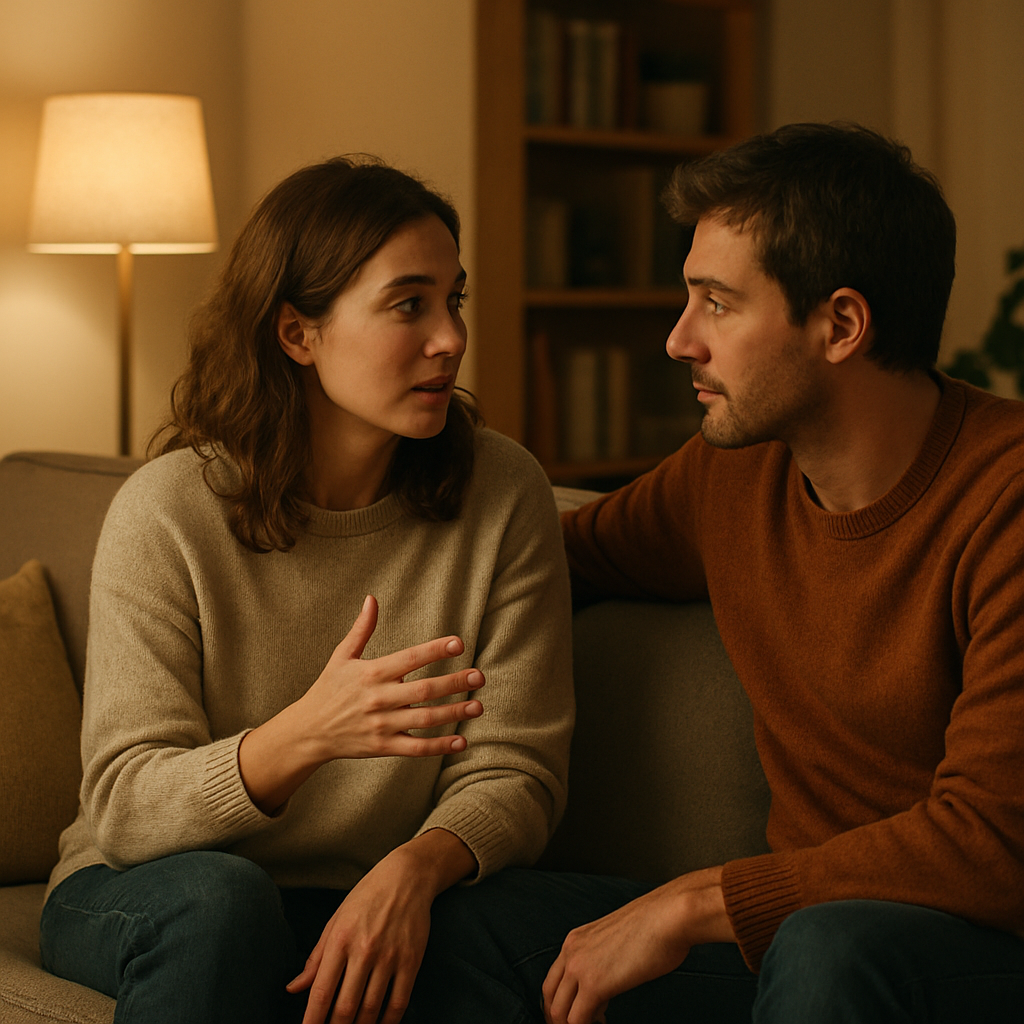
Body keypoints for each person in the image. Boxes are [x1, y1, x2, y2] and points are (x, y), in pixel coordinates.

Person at [424, 123, 1024, 1023]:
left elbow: (992, 843)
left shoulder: (1006, 501)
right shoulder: (733, 475)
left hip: (974, 951)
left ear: (842, 325)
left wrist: (695, 902)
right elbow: (546, 566)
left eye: (717, 303)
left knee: (830, 949)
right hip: (801, 944)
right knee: (468, 929)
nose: (678, 340)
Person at [38, 156, 574, 1024]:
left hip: (368, 891)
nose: (451, 338)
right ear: (298, 333)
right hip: (148, 885)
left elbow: (518, 768)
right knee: (224, 903)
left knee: (549, 929)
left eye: (454, 300)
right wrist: (307, 735)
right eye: (410, 305)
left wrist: (416, 869)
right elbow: (128, 808)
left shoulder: (502, 492)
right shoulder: (168, 511)